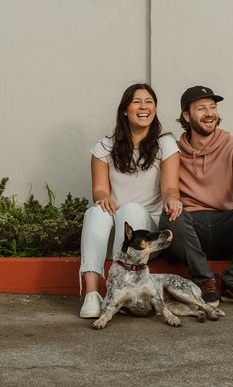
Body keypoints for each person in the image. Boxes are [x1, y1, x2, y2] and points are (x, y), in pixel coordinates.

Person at [158, 85, 233, 307]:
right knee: (170, 216)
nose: (209, 113)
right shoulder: (173, 152)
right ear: (186, 115)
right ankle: (206, 282)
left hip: (225, 227)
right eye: (201, 108)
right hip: (190, 229)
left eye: (212, 107)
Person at [78, 83, 183, 318]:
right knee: (95, 212)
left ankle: (118, 292)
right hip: (115, 234)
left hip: (144, 238)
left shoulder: (165, 143)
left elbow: (170, 186)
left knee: (132, 210)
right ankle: (92, 294)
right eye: (137, 102)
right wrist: (103, 199)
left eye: (149, 102)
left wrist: (173, 198)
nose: (144, 107)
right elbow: (100, 191)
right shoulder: (104, 147)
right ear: (125, 109)